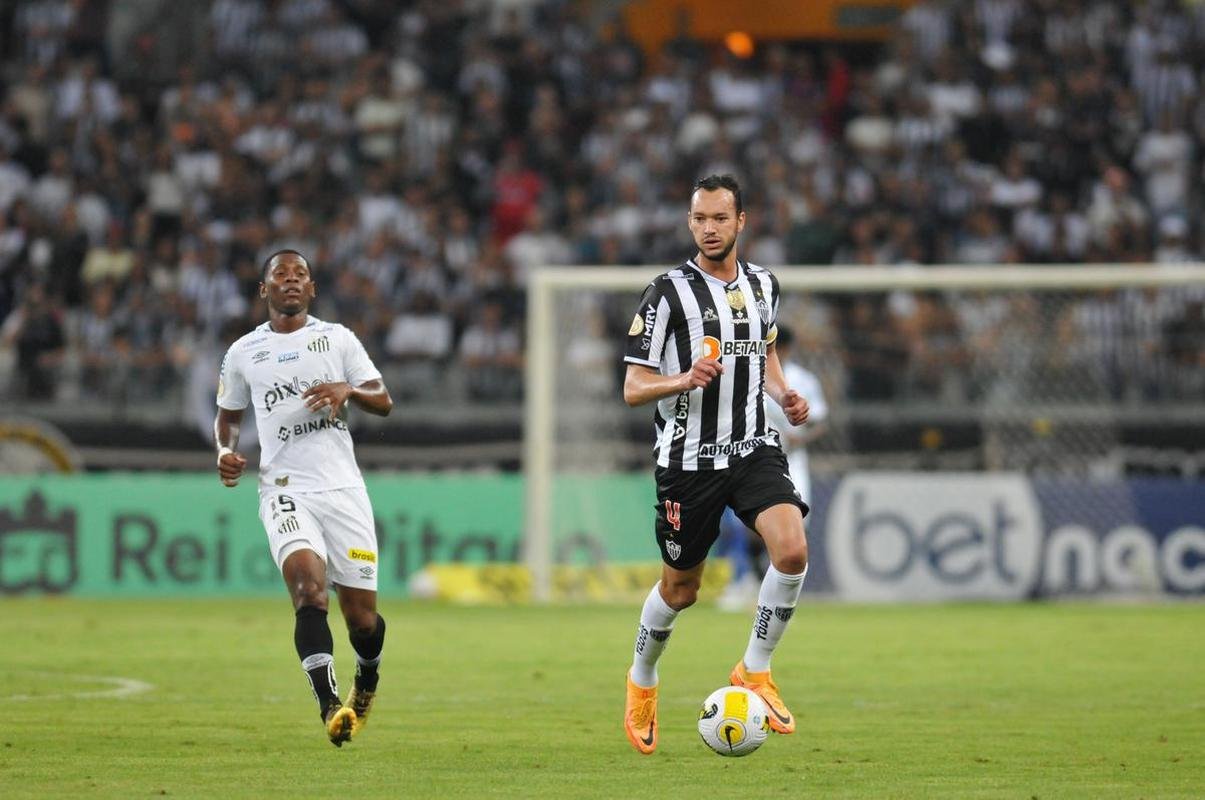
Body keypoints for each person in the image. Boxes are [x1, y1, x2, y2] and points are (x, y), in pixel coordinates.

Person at [621, 174, 810, 754]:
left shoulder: (764, 284)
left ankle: (754, 669)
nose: (708, 228)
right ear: (690, 222)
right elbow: (632, 386)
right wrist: (685, 378)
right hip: (687, 460)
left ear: (741, 222)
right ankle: (642, 681)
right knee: (680, 590)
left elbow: (766, 347)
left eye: (719, 219)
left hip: (752, 446)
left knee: (792, 550)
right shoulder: (666, 291)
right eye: (699, 219)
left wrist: (782, 395)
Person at [214, 250, 393, 747]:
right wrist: (225, 449)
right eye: (280, 275)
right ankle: (329, 706)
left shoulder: (337, 339)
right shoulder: (243, 352)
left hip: (342, 491)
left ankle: (368, 678)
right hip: (285, 488)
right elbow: (228, 416)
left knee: (362, 620)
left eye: (299, 276)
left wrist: (347, 391)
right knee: (308, 593)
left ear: (311, 289)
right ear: (263, 289)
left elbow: (384, 399)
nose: (290, 282)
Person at [716, 324, 829, 611]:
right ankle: (749, 579)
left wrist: (800, 435)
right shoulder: (747, 372)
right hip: (755, 458)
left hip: (792, 459)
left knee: (795, 525)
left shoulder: (803, 380)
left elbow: (818, 419)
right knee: (753, 523)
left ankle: (774, 590)